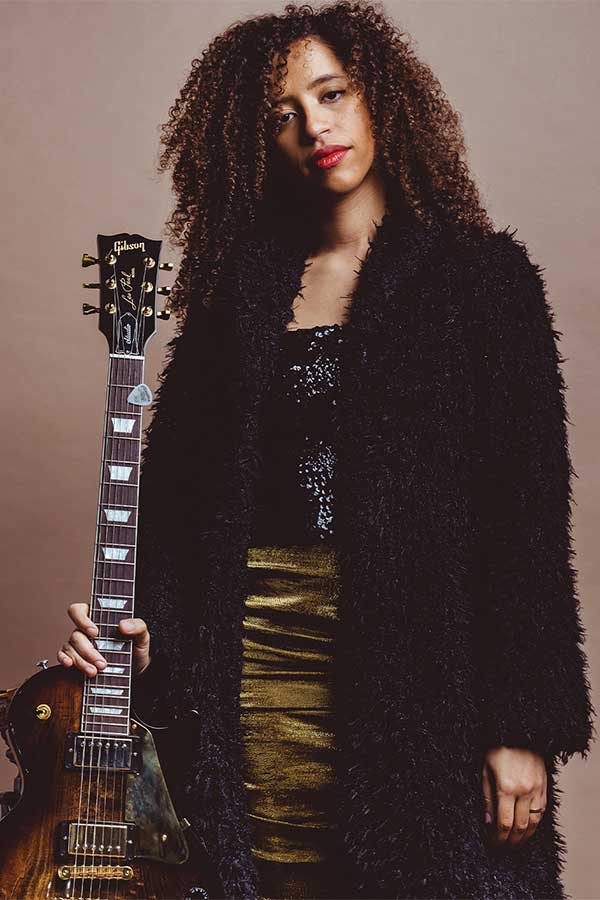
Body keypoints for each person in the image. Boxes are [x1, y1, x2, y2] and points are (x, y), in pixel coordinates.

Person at [57, 2, 595, 898]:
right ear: (253, 141)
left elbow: (525, 525)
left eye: (333, 93)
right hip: (253, 678)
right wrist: (144, 647)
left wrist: (521, 724)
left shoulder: (483, 281)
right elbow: (185, 525)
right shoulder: (234, 305)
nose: (316, 127)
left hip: (423, 684)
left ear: (380, 96)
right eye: (282, 114)